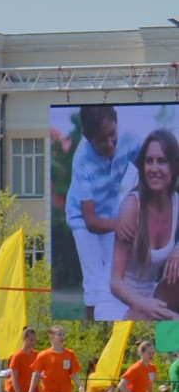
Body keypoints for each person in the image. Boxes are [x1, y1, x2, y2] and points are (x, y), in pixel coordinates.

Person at [66, 105, 140, 319]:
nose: (110, 144)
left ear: (117, 121)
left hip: (111, 214)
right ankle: (91, 321)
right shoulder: (81, 160)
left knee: (115, 275)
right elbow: (90, 220)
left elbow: (152, 171)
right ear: (88, 137)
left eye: (112, 135)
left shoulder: (130, 139)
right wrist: (123, 224)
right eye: (101, 140)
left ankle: (114, 319)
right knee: (93, 278)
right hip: (83, 220)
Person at [109, 129, 179, 321]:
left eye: (162, 161)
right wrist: (142, 303)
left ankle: (169, 342)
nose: (154, 168)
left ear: (174, 166)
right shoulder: (132, 206)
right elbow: (115, 282)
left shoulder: (176, 202)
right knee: (169, 322)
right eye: (149, 161)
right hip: (123, 300)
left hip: (152, 295)